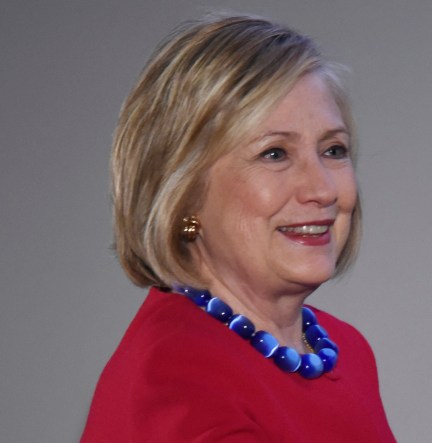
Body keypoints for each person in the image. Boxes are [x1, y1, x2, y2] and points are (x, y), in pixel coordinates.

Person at [81, 14, 395, 442]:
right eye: (274, 154)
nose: (322, 188)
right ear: (184, 191)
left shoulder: (345, 351)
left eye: (333, 149)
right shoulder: (176, 382)